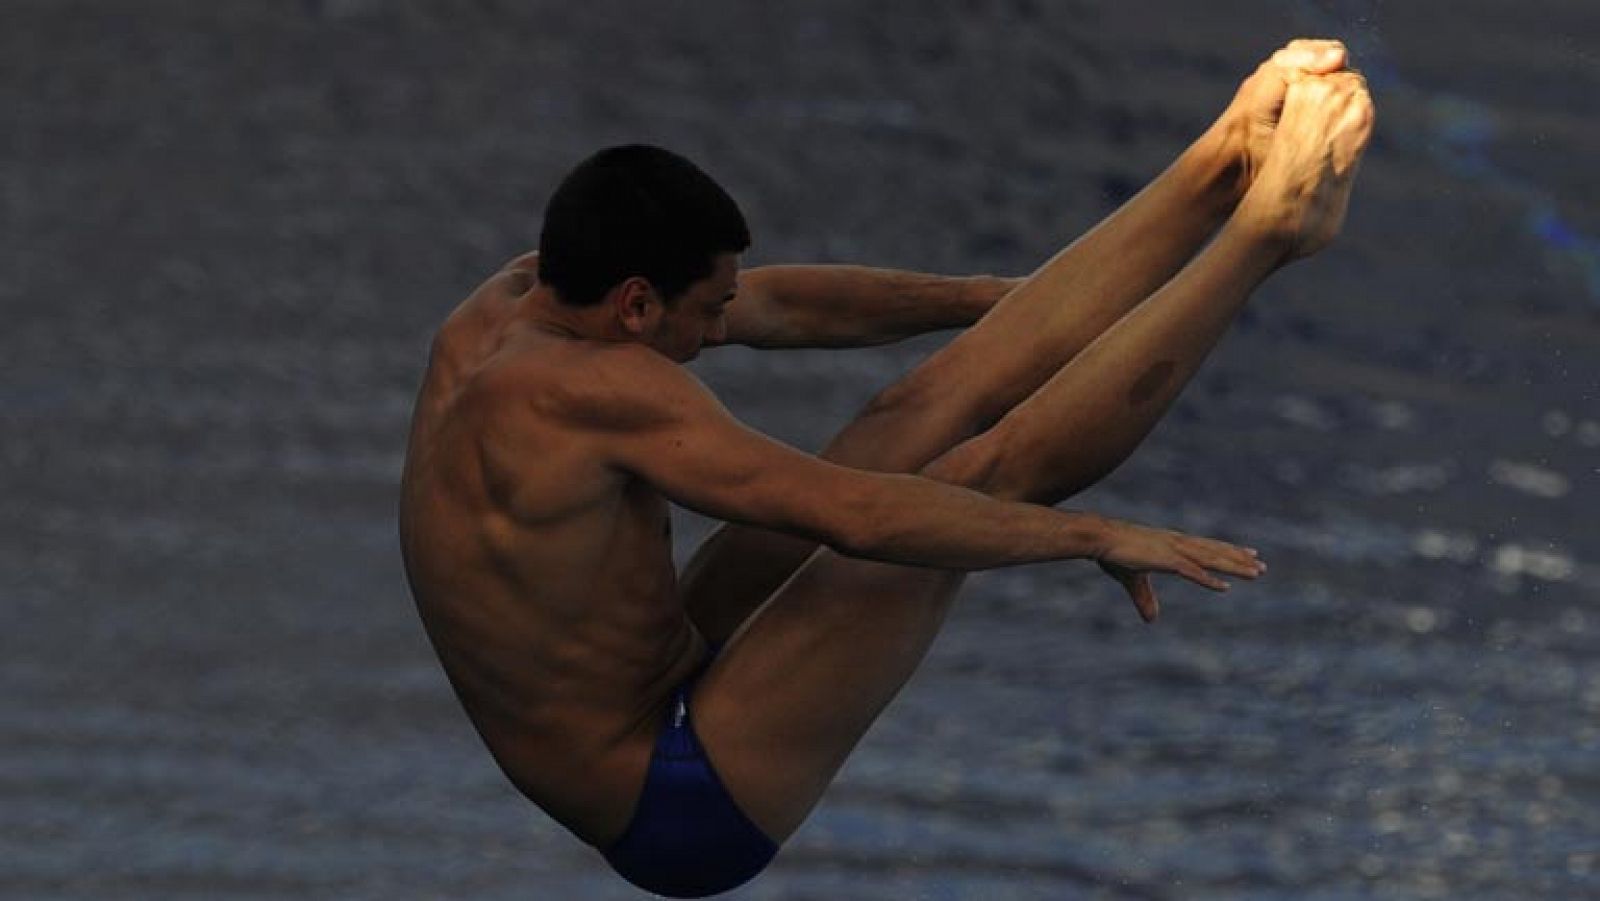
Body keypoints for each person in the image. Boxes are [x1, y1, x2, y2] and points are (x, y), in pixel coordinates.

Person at [399, 39, 1373, 898]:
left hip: (658, 670)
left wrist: (1000, 307)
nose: (717, 331)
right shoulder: (592, 391)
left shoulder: (516, 303)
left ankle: (1225, 157)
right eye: (703, 314)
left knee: (909, 409)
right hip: (675, 794)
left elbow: (788, 308)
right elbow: (858, 520)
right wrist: (1090, 534)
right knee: (976, 479)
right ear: (638, 305)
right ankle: (1268, 231)